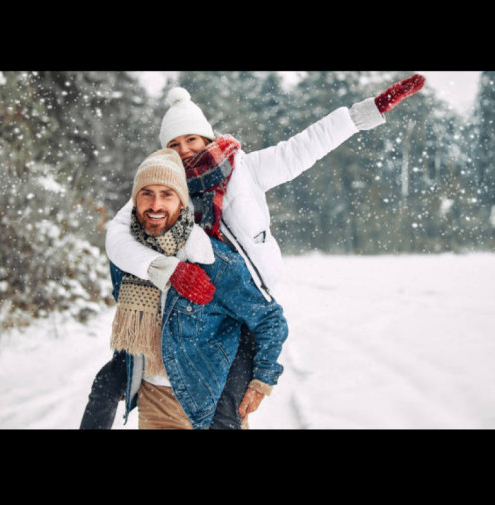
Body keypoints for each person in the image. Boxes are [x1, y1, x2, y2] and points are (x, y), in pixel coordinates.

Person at [81, 73, 425, 429]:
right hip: (197, 307)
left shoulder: (246, 170)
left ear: (207, 137)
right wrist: (167, 270)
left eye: (191, 139)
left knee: (224, 415)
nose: (184, 150)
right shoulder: (162, 186)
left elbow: (304, 147)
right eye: (175, 144)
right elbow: (118, 237)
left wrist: (362, 115)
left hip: (242, 303)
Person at [89, 148, 288, 429]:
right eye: (147, 193)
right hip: (154, 401)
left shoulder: (213, 261)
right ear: (135, 201)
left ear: (182, 202)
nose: (155, 204)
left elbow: (270, 319)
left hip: (210, 401)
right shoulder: (127, 260)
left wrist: (262, 380)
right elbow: (133, 324)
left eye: (167, 194)